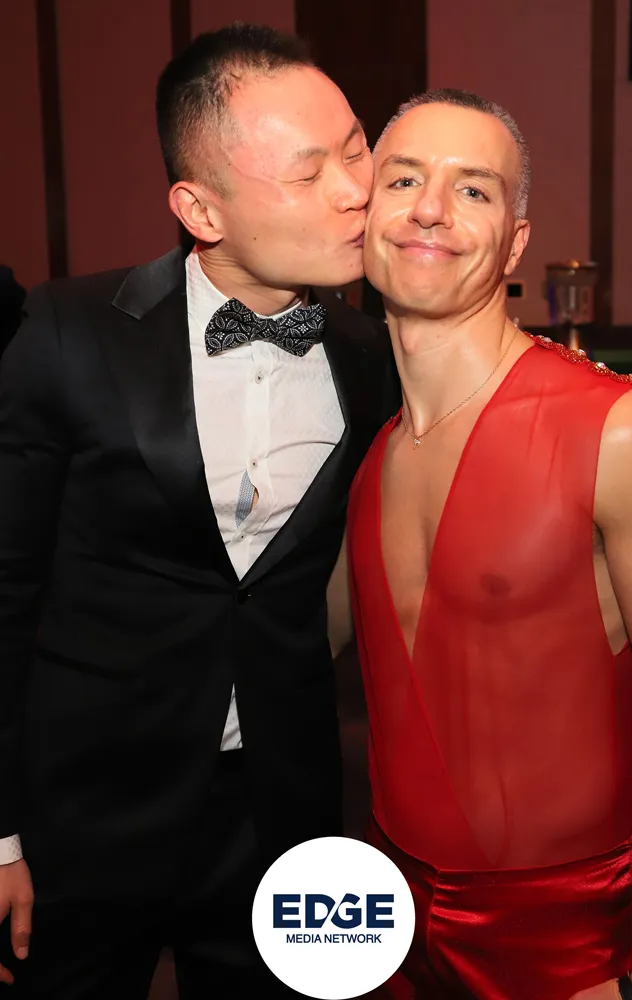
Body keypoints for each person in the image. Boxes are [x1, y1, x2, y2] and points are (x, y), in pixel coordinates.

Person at [0, 23, 397, 999]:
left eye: (356, 150)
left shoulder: (372, 358)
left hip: (280, 810)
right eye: (308, 173)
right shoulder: (65, 333)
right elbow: (4, 596)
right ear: (200, 208)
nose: (356, 190)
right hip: (84, 812)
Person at [347, 88, 632, 1000]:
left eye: (473, 189)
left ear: (516, 243)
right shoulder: (366, 457)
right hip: (389, 923)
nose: (430, 209)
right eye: (402, 179)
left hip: (565, 943)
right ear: (361, 215)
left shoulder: (618, 431)